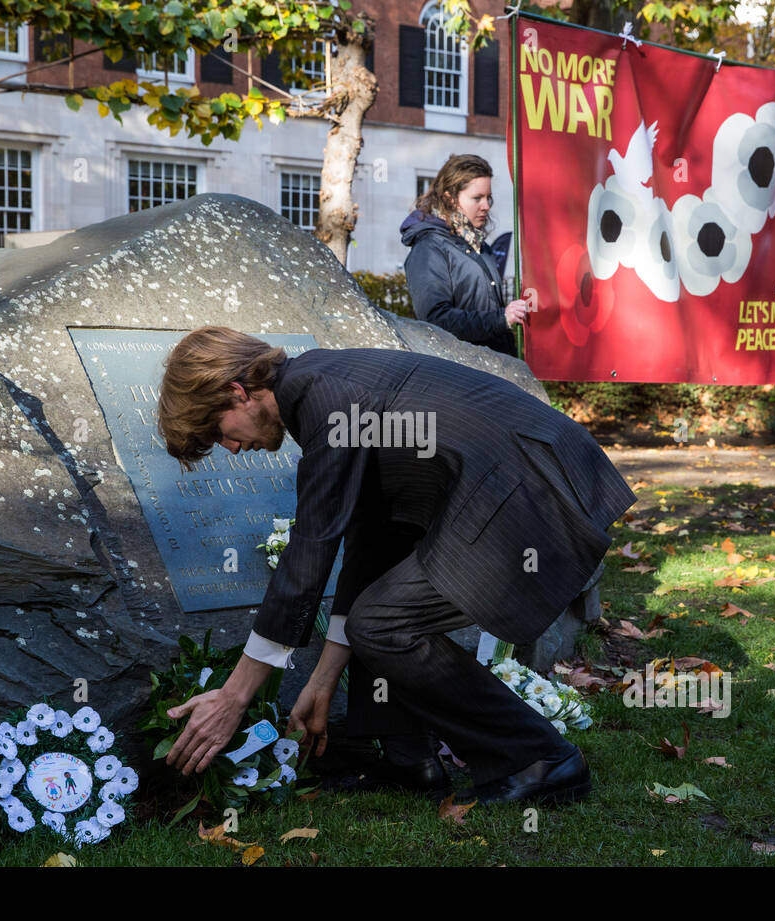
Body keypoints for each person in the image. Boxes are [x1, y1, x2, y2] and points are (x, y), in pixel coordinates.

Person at [155, 327, 636, 804]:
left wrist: (234, 696)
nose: (233, 449)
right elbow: (372, 543)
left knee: (384, 624)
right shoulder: (322, 386)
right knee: (378, 608)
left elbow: (310, 549)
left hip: (534, 495)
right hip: (525, 486)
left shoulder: (325, 397)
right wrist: (322, 681)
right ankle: (409, 759)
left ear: (237, 392)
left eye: (220, 435)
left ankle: (541, 759)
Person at [401, 154, 529, 357]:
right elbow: (436, 319)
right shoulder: (429, 247)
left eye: (488, 197)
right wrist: (500, 319)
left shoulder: (481, 247)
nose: (486, 206)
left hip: (497, 369)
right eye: (477, 198)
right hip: (463, 374)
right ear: (450, 198)